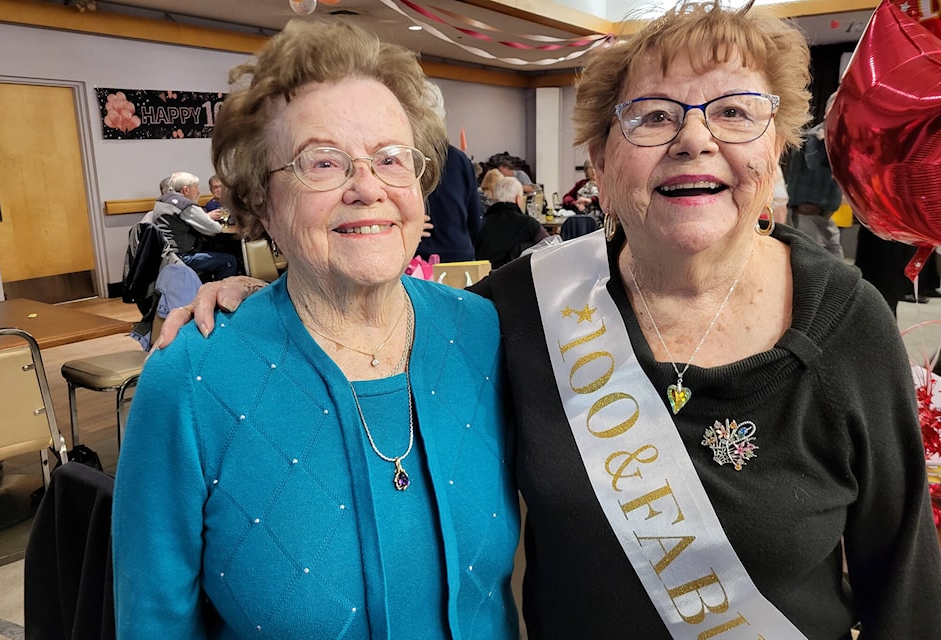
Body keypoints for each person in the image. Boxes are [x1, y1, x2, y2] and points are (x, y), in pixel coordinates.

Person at [161, 0, 941, 636]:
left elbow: (905, 577)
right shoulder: (519, 308)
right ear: (599, 164)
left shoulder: (845, 322)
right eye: (653, 117)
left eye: (736, 112)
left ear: (773, 153)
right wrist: (255, 297)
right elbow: (368, 304)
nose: (695, 138)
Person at [111, 19, 520, 639]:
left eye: (391, 159)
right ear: (261, 201)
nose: (367, 189)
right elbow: (152, 623)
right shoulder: (191, 377)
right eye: (322, 163)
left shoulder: (482, 332)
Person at [415, 81, 483, 263]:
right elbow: (475, 220)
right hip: (459, 255)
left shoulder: (405, 157)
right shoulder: (460, 159)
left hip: (418, 259)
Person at [783, 92, 844, 257]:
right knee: (813, 264)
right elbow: (816, 163)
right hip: (808, 215)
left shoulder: (836, 140)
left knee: (836, 266)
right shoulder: (816, 137)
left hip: (823, 217)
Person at [153, 171, 239, 281]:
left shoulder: (163, 201)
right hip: (181, 257)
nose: (198, 192)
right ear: (186, 190)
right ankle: (217, 295)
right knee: (229, 261)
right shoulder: (183, 205)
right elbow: (214, 229)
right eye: (196, 187)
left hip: (166, 255)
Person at [475, 176, 548, 269]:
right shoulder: (528, 224)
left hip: (483, 278)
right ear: (518, 199)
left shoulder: (481, 224)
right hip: (515, 278)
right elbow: (550, 246)